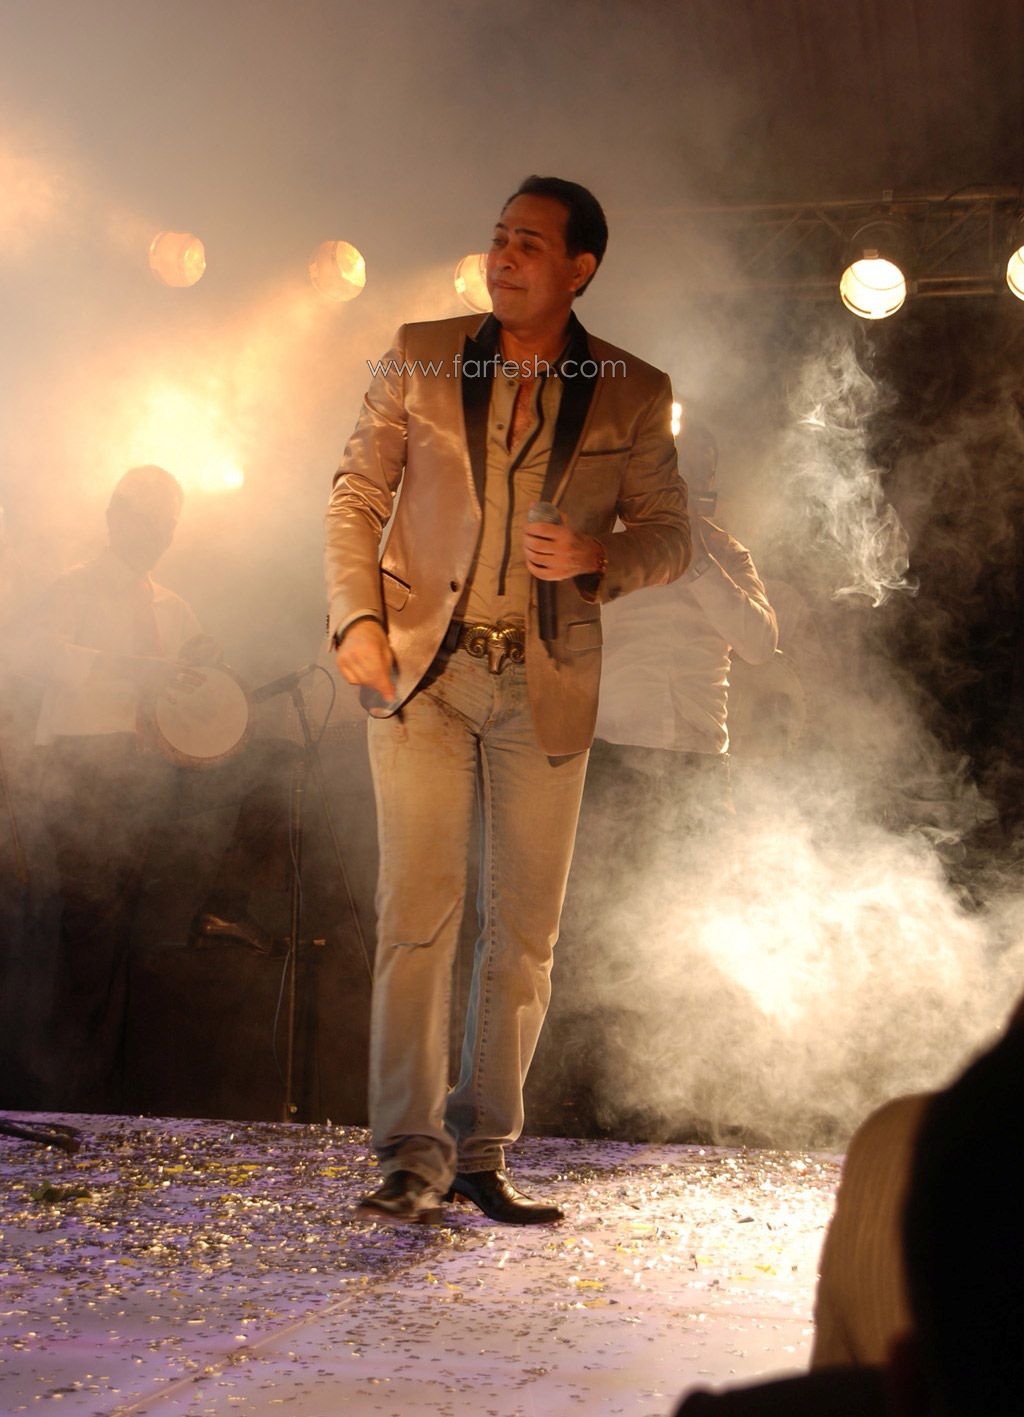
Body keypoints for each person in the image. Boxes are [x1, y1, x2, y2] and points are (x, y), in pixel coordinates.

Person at [326, 175, 690, 1224]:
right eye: (498, 238)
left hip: (545, 679)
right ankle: (410, 1155)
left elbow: (671, 535)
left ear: (580, 268)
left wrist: (599, 555)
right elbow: (356, 493)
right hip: (424, 670)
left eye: (529, 243)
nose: (504, 256)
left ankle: (480, 1152)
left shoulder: (630, 387)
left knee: (524, 932)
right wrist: (355, 618)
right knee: (418, 913)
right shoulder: (418, 351)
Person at [13, 466, 287, 1110]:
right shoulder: (73, 587)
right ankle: (72, 1097)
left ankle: (222, 908)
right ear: (115, 517)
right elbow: (37, 657)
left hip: (153, 776)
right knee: (91, 937)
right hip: (85, 774)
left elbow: (189, 699)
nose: (158, 537)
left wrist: (206, 681)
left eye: (167, 527)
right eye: (146, 522)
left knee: (136, 938)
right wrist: (138, 674)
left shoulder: (173, 606)